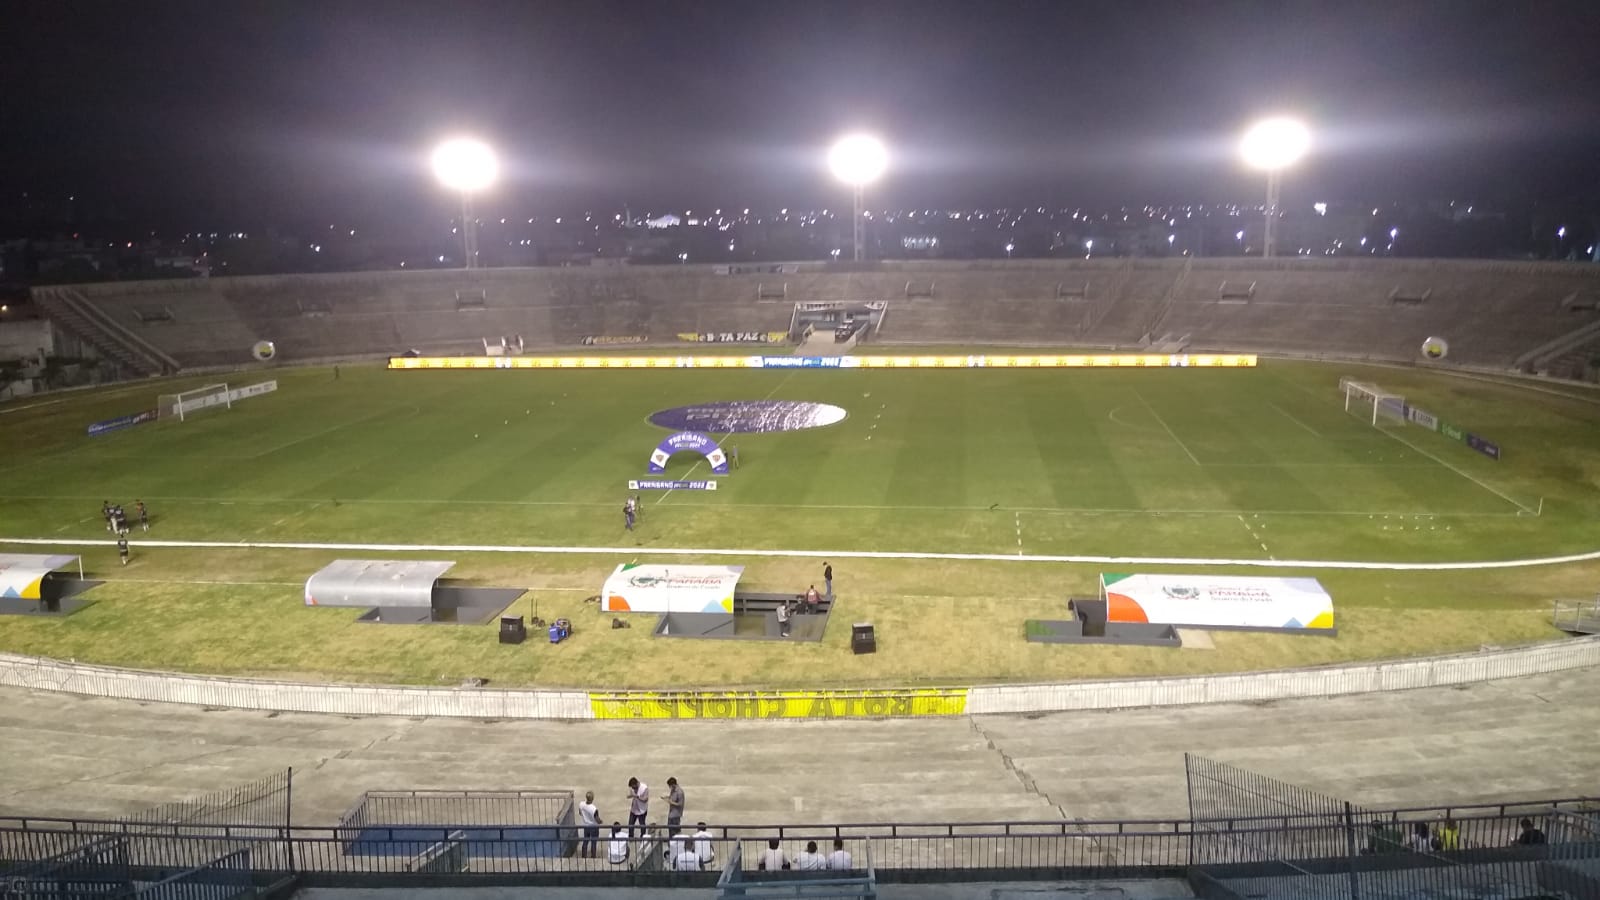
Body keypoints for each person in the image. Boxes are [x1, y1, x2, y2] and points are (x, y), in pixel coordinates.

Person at [578, 790, 601, 858]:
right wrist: (601, 821)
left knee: (585, 841)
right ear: (593, 798)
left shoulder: (581, 804)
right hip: (593, 827)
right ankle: (593, 856)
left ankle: (583, 855)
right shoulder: (594, 809)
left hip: (586, 826)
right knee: (593, 842)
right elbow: (598, 820)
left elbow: (580, 813)